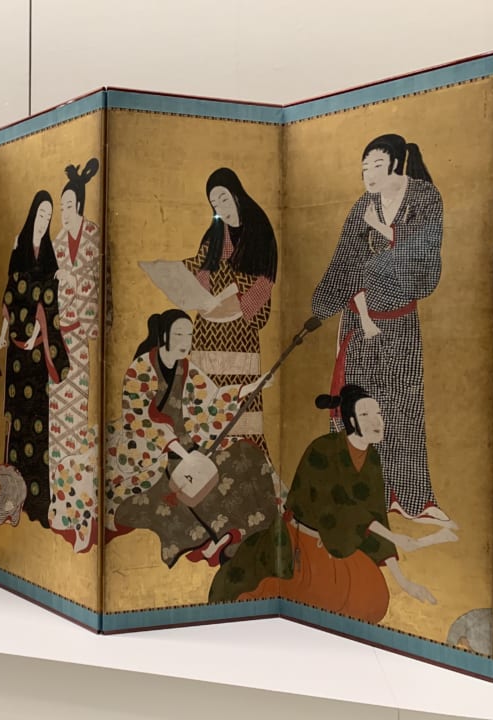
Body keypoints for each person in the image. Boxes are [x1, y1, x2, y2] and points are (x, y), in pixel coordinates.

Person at [214, 385, 456, 619]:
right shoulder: (323, 449)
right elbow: (338, 508)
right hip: (303, 540)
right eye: (366, 415)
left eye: (378, 413)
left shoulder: (372, 459)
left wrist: (404, 582)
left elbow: (376, 515)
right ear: (351, 421)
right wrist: (394, 537)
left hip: (341, 542)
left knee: (374, 601)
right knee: (318, 599)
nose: (377, 421)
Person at [311, 134, 448, 525]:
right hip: (361, 320)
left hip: (400, 322)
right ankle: (365, 494)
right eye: (363, 167)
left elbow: (426, 258)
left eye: (375, 165)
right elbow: (346, 262)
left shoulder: (424, 198)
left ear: (396, 164)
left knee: (403, 407)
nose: (368, 174)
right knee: (361, 407)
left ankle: (412, 499)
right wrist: (324, 307)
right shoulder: (364, 206)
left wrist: (386, 232)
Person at [106, 309, 279, 568]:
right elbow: (140, 421)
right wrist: (183, 454)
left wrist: (252, 387)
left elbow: (212, 400)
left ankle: (254, 530)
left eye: (189, 335)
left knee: (246, 455)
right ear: (165, 335)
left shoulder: (186, 367)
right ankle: (220, 536)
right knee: (193, 490)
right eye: (179, 334)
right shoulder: (140, 368)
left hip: (189, 443)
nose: (185, 341)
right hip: (152, 452)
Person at [181, 168, 278, 457]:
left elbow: (265, 282)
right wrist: (199, 291)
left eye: (223, 198)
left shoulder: (259, 230)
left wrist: (238, 303)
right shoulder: (213, 234)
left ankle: (247, 459)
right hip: (208, 332)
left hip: (240, 333)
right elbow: (202, 272)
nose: (220, 207)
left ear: (236, 194)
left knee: (241, 398)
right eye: (214, 203)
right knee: (206, 397)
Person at [0, 190, 69, 526]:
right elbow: (10, 294)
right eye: (40, 214)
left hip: (37, 352)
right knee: (16, 420)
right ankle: (11, 499)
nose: (43, 221)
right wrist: (4, 331)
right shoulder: (19, 247)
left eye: (48, 216)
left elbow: (48, 302)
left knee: (37, 420)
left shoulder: (50, 256)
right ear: (31, 215)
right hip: (16, 352)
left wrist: (38, 333)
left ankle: (39, 503)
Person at [47, 159, 102, 550]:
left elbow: (102, 284)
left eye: (69, 205)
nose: (64, 212)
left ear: (80, 206)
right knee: (58, 428)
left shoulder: (94, 237)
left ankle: (83, 513)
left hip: (84, 343)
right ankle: (59, 507)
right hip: (58, 342)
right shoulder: (55, 244)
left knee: (81, 427)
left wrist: (75, 280)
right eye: (62, 206)